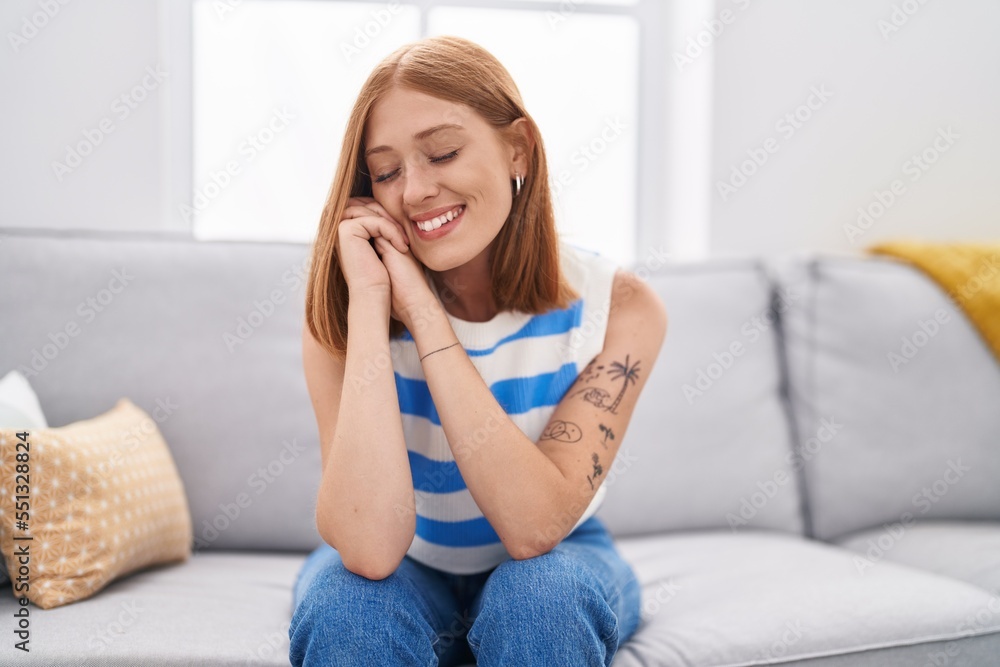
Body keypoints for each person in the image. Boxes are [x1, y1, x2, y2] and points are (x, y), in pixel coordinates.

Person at [289, 35, 668, 667]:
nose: (413, 192)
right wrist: (379, 301)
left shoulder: (620, 308)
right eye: (385, 172)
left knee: (541, 600)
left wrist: (426, 317)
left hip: (561, 554)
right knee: (345, 611)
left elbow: (533, 528)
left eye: (441, 153)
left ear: (517, 148)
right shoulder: (345, 309)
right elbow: (370, 547)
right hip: (407, 562)